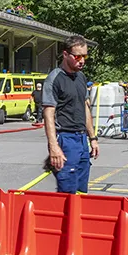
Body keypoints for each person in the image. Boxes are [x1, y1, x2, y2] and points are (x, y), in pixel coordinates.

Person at [41, 35, 99, 195]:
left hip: (82, 140)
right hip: (65, 140)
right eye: (78, 56)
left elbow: (85, 108)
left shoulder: (81, 77)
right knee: (67, 193)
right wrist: (54, 147)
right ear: (65, 54)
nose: (82, 61)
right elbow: (48, 114)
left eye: (85, 56)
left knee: (81, 191)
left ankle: (77, 219)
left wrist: (92, 138)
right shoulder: (55, 79)